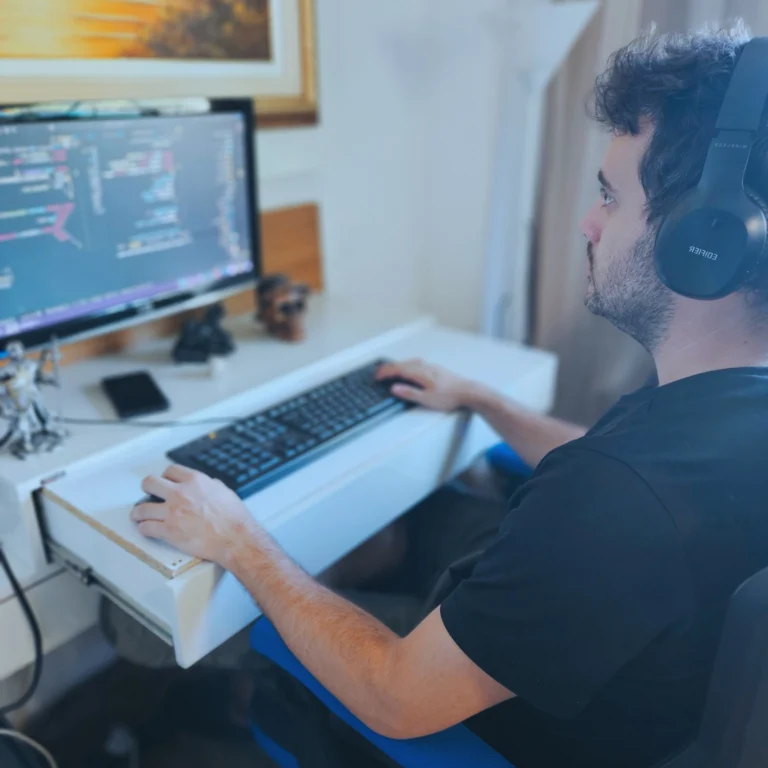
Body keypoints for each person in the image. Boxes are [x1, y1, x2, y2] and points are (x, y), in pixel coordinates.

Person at [127, 25, 768, 768]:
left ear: (707, 241)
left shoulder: (619, 499)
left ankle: (224, 707)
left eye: (608, 196)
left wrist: (237, 537)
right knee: (390, 531)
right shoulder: (720, 409)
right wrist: (486, 400)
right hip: (610, 677)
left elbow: (396, 697)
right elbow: (621, 478)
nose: (587, 223)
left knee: (231, 603)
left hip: (465, 715)